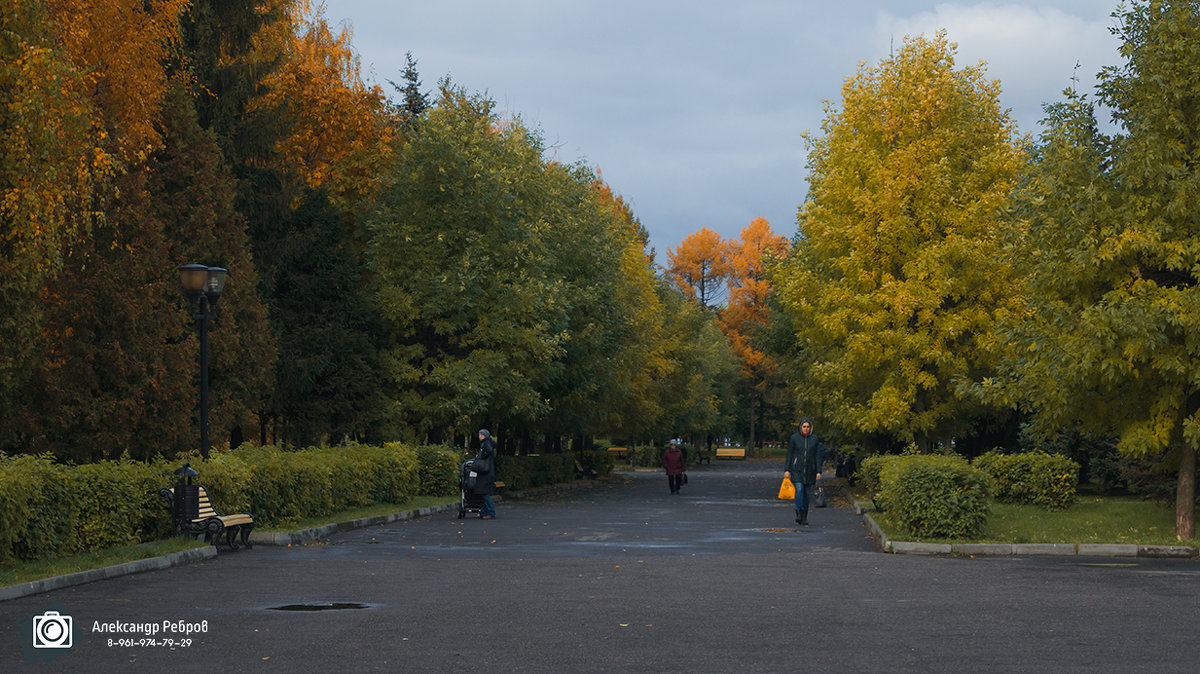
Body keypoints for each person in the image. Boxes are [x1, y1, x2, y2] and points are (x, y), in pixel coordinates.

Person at [784, 418, 824, 525]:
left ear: (810, 428)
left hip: (810, 470)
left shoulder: (814, 439)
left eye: (808, 427)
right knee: (799, 489)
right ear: (800, 427)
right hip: (797, 469)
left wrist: (818, 471)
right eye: (804, 426)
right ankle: (798, 512)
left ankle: (804, 516)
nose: (806, 429)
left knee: (807, 494)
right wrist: (787, 469)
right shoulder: (795, 438)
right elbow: (790, 454)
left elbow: (817, 456)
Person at [473, 429, 497, 519]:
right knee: (484, 493)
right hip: (489, 472)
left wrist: (481, 456)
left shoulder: (486, 443)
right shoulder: (489, 442)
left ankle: (490, 512)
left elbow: (488, 451)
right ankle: (484, 511)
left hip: (485, 472)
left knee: (485, 493)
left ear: (484, 435)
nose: (479, 437)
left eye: (480, 435)